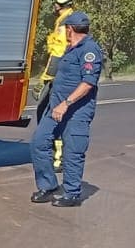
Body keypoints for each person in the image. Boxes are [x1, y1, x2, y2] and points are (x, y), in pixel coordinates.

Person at [29, 11, 103, 207]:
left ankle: (72, 193)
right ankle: (49, 186)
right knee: (39, 142)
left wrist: (66, 103)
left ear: (70, 29)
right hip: (55, 109)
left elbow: (88, 83)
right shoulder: (70, 49)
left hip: (75, 111)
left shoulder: (90, 50)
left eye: (66, 29)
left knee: (73, 151)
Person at [35, 0, 79, 170]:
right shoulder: (69, 19)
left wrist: (45, 78)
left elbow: (58, 52)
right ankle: (58, 155)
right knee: (54, 114)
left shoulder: (64, 24)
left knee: (49, 113)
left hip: (59, 76)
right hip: (66, 75)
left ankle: (58, 157)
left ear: (60, 3)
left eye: (55, 2)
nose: (53, 5)